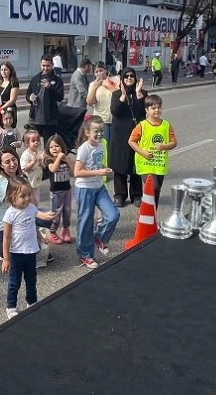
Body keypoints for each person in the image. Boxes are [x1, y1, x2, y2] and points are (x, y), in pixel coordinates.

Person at [1, 181, 58, 315]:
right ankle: (11, 307)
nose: (27, 198)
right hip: (16, 254)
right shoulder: (10, 214)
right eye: (23, 196)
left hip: (31, 252)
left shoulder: (31, 208)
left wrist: (40, 236)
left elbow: (35, 222)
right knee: (15, 282)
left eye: (29, 194)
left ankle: (32, 302)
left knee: (31, 280)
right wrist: (6, 258)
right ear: (11, 197)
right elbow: (6, 237)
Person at [73, 116, 119, 270]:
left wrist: (105, 168)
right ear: (87, 132)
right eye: (96, 131)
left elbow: (96, 164)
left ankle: (99, 237)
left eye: (102, 131)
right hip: (84, 189)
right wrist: (100, 171)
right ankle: (85, 255)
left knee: (113, 214)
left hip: (99, 187)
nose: (100, 134)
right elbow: (77, 172)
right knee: (85, 223)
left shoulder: (101, 146)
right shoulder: (84, 149)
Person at [128, 95, 177, 207]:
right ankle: (145, 210)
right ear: (147, 110)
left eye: (159, 107)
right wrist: (143, 153)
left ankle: (152, 214)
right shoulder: (142, 125)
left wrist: (164, 146)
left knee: (157, 190)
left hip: (159, 164)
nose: (157, 110)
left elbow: (173, 142)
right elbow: (131, 141)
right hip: (145, 164)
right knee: (153, 187)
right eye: (153, 108)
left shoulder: (166, 125)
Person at [110, 69, 147, 206]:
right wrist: (123, 97)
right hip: (120, 135)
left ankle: (136, 195)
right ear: (122, 79)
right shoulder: (116, 94)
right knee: (120, 166)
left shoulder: (142, 94)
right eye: (126, 76)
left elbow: (142, 112)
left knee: (135, 165)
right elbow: (115, 112)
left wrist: (138, 95)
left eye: (132, 76)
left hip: (136, 135)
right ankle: (120, 195)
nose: (129, 78)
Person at [26, 57, 65, 145]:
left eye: (48, 66)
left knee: (48, 145)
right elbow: (27, 94)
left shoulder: (57, 80)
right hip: (35, 119)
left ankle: (47, 159)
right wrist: (30, 98)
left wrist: (50, 87)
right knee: (32, 143)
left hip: (49, 120)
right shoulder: (35, 79)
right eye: (43, 65)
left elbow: (60, 97)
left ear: (52, 66)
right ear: (40, 65)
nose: (45, 68)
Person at [45, 134, 74, 245]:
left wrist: (66, 158)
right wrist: (58, 159)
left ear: (61, 147)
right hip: (56, 192)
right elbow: (53, 169)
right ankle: (52, 232)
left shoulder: (65, 159)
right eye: (52, 147)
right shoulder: (49, 160)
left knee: (67, 212)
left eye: (57, 146)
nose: (54, 149)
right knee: (56, 213)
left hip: (67, 189)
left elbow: (73, 169)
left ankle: (65, 230)